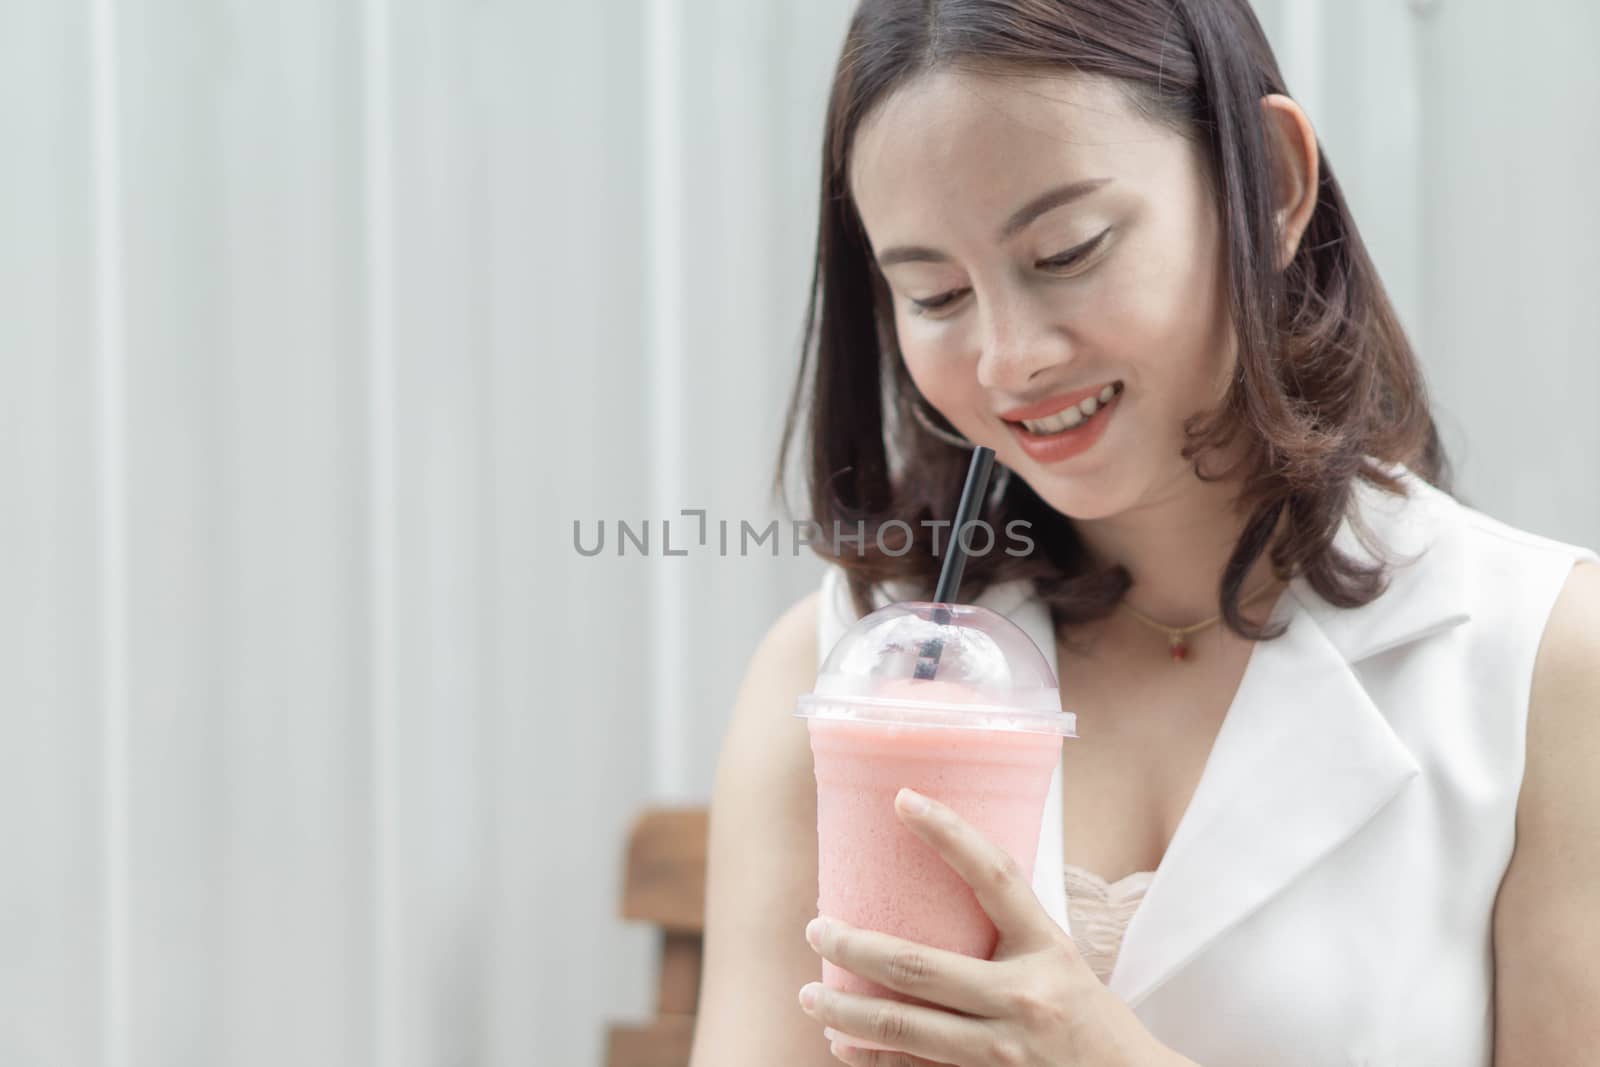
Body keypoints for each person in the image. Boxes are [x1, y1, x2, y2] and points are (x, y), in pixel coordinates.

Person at [689, 2, 1600, 1064]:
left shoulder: (1543, 665)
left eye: (1066, 250)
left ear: (1271, 183)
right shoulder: (840, 667)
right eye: (934, 294)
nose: (1008, 359)